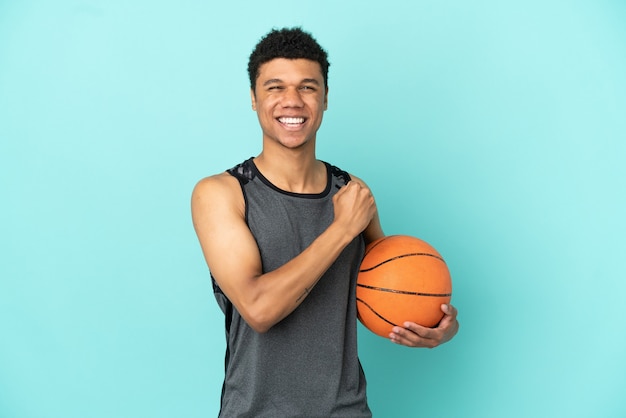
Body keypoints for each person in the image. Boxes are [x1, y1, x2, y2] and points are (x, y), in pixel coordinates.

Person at [191, 27, 459, 417]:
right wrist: (342, 230)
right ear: (253, 99)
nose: (292, 101)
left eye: (308, 87)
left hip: (346, 410)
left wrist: (435, 325)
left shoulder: (353, 193)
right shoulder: (221, 193)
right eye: (275, 87)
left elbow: (382, 293)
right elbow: (258, 309)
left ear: (326, 98)